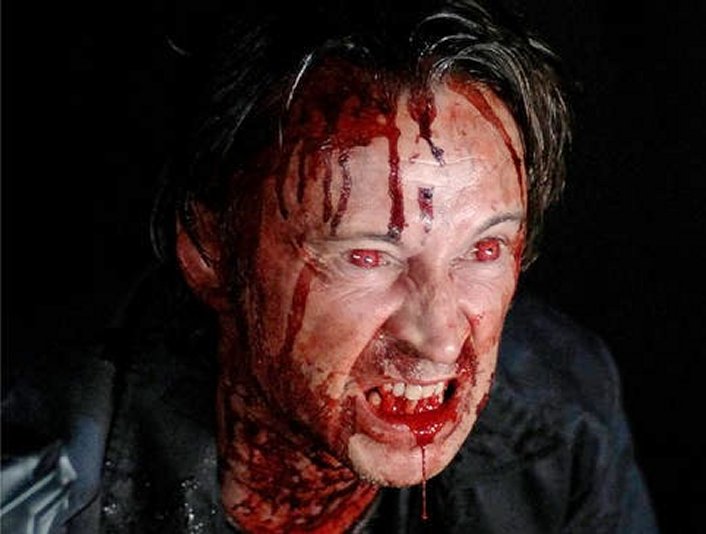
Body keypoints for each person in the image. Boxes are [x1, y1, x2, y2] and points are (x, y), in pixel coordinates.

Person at [1, 1, 657, 532]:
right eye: (367, 256)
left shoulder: (559, 422)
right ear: (210, 250)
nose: (438, 339)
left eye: (483, 250)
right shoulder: (33, 486)